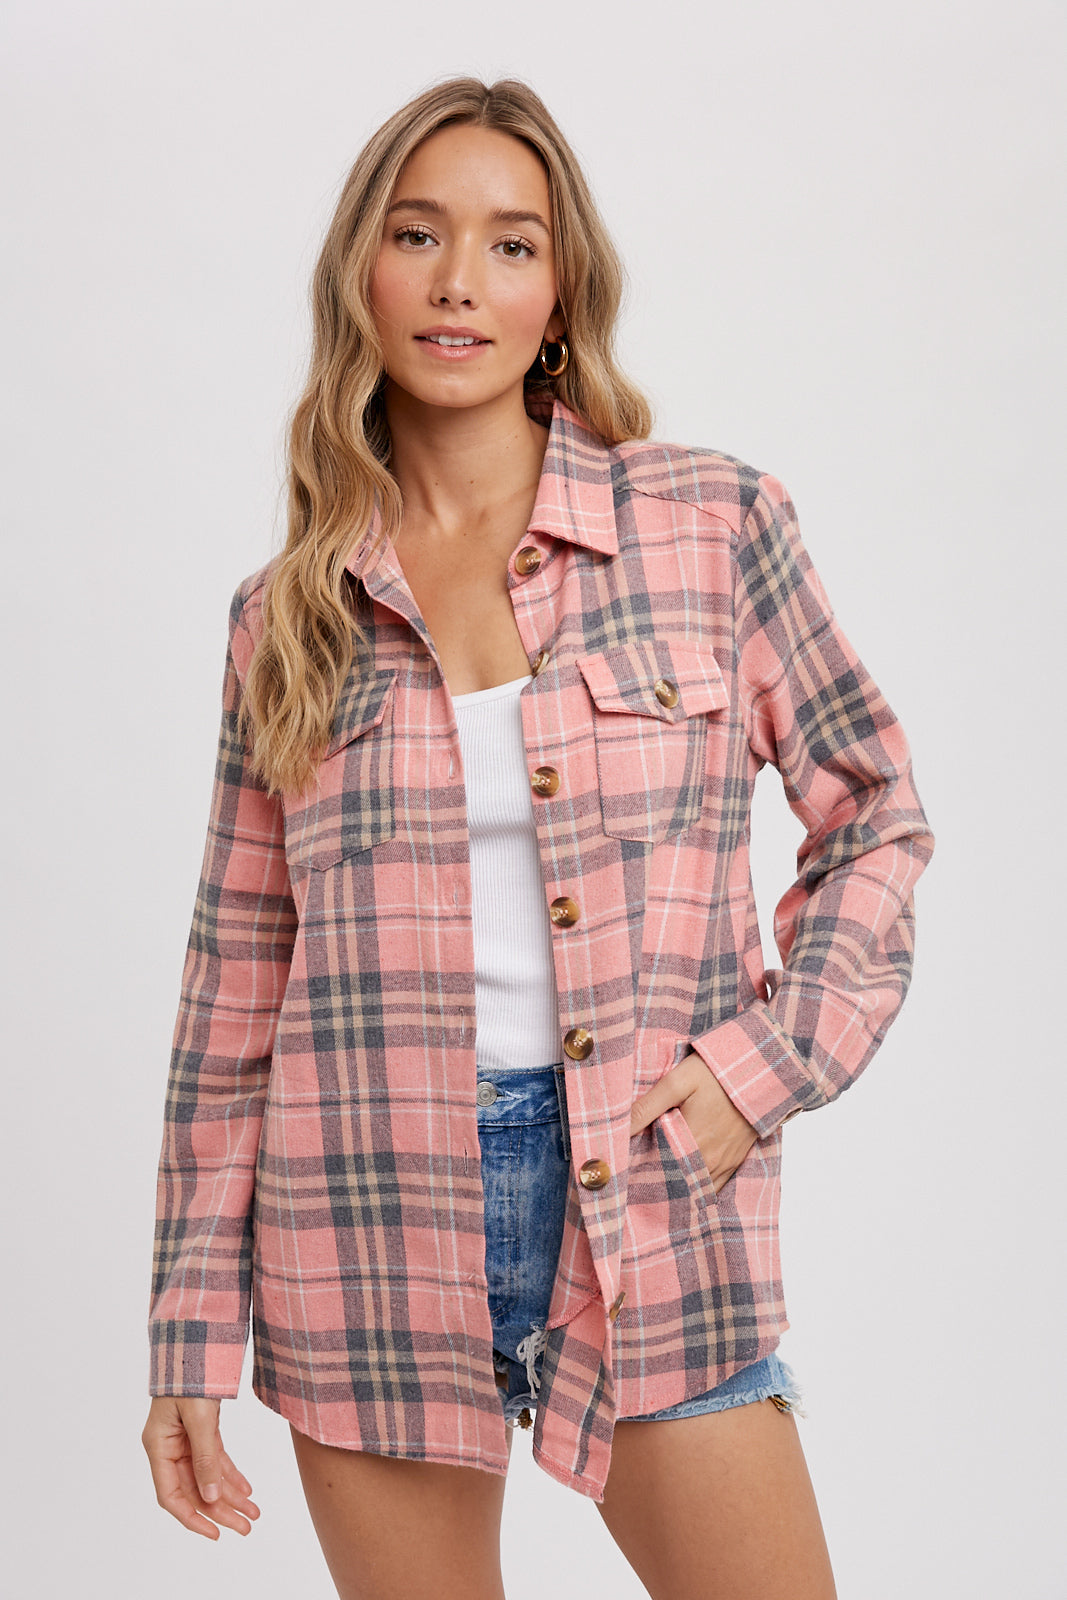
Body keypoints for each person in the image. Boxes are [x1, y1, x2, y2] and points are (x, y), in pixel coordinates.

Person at [141, 76, 934, 1600]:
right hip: (363, 1228)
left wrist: (762, 1070)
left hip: (655, 1202)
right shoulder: (287, 615)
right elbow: (233, 990)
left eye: (511, 245)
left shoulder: (711, 527)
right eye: (417, 235)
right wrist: (186, 1331)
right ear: (360, 276)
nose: (460, 282)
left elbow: (875, 813)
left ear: (559, 294)